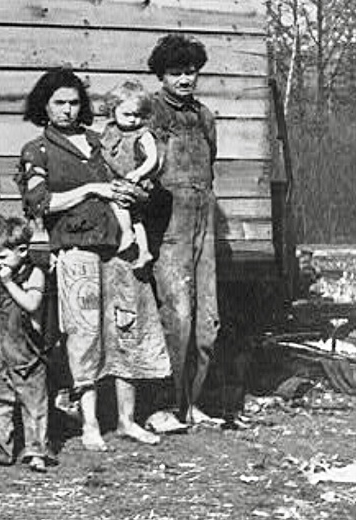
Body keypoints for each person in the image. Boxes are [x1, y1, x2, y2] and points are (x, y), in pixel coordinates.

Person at [15, 68, 170, 452]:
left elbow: (138, 182)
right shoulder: (38, 151)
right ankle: (90, 423)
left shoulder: (102, 140)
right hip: (76, 248)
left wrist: (132, 193)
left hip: (120, 246)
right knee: (84, 333)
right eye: (59, 103)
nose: (67, 110)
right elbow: (40, 203)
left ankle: (127, 420)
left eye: (73, 102)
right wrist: (91, 189)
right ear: (44, 106)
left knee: (126, 328)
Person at [144, 34, 223, 432]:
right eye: (176, 73)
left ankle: (193, 404)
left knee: (208, 322)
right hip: (168, 225)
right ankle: (163, 407)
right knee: (177, 318)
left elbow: (211, 166)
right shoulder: (150, 113)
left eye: (191, 72)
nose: (185, 80)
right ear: (162, 75)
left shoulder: (205, 116)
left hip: (202, 224)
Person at [0, 217, 53, 471]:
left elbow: (31, 304)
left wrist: (9, 282)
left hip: (25, 351)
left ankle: (37, 451)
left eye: (3, 257)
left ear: (22, 250)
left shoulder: (34, 274)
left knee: (34, 404)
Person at [99, 81, 161, 271]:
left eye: (138, 115)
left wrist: (139, 173)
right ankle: (144, 252)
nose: (133, 119)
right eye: (127, 114)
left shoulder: (143, 134)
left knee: (118, 199)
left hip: (134, 182)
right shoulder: (110, 130)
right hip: (115, 177)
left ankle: (127, 234)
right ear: (113, 110)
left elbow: (153, 158)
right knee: (136, 219)